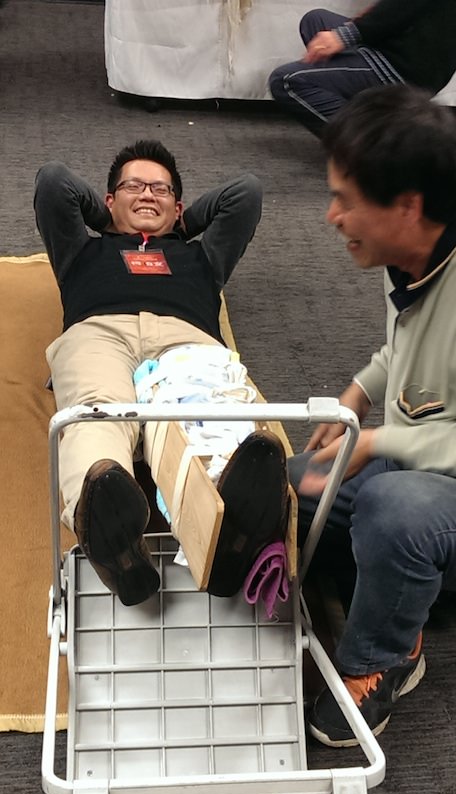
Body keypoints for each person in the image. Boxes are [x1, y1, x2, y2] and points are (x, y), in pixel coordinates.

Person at [34, 140, 289, 607]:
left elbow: (245, 193)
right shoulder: (81, 252)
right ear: (109, 199)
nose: (148, 194)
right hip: (100, 333)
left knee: (207, 423)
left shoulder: (202, 258)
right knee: (97, 414)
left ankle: (229, 537)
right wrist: (110, 222)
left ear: (178, 207)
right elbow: (54, 182)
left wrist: (179, 226)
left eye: (161, 189)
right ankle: (113, 542)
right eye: (133, 186)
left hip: (185, 340)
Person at [288, 84, 456, 746]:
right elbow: (405, 350)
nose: (332, 216)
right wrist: (358, 392)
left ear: (407, 206)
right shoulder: (414, 255)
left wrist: (380, 440)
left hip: (426, 481)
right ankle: (394, 578)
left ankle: (385, 656)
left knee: (393, 510)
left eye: (346, 200)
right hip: (422, 455)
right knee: (295, 483)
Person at [269, 0, 456, 138]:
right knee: (316, 21)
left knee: (286, 81)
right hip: (398, 44)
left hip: (405, 64)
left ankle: (376, 148)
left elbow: (403, 6)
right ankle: (376, 117)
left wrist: (346, 35)